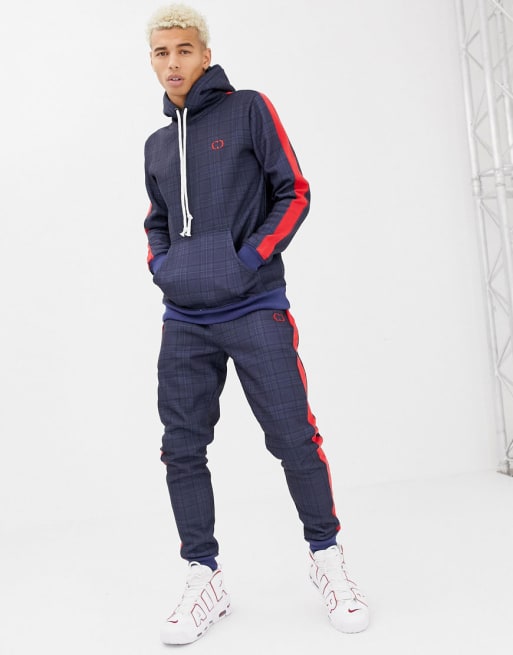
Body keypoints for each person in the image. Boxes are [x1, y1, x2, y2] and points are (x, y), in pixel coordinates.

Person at [143, 3, 369, 644]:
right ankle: (203, 575)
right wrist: (164, 266)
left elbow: (294, 191)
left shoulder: (248, 109)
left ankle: (328, 561)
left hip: (254, 306)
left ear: (205, 55)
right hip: (185, 318)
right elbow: (156, 219)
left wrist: (248, 259)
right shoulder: (157, 145)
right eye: (161, 53)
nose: (172, 63)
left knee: (294, 437)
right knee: (181, 447)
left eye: (183, 50)